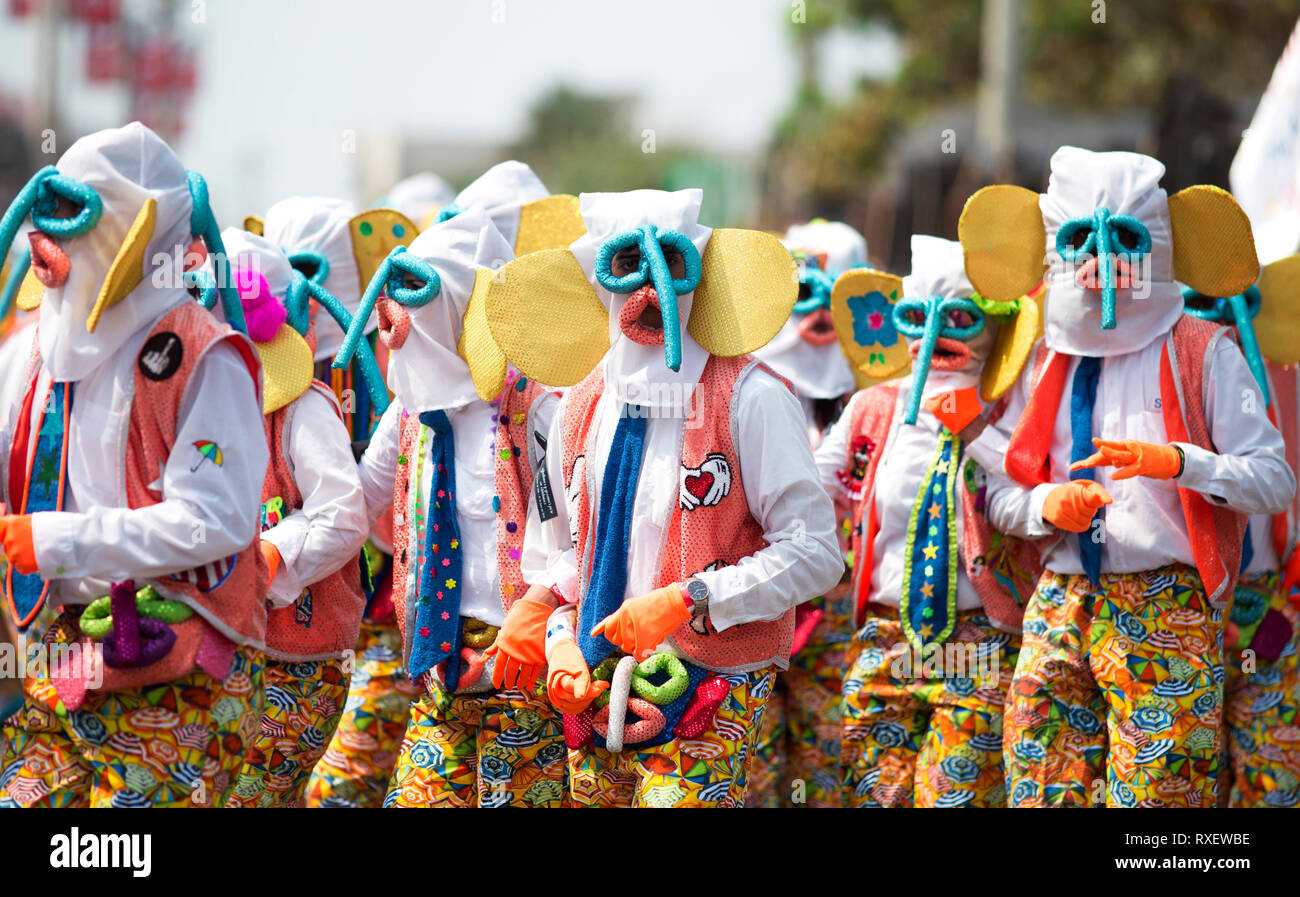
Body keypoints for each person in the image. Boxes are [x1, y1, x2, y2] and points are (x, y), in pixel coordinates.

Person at [486, 187, 843, 807]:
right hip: (598, 684)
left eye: (670, 265)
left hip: (714, 675)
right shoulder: (578, 403)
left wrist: (690, 598)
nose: (650, 290)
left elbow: (815, 552)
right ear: (600, 278)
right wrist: (550, 625)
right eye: (627, 267)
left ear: (698, 274)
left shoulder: (751, 396)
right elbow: (570, 555)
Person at [960, 146, 1295, 807]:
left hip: (1166, 601)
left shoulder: (1205, 350)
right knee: (1038, 781)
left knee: (1158, 802)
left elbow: (1273, 478)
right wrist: (1044, 506)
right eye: (1083, 240)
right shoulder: (1037, 358)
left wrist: (1180, 462)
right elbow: (994, 482)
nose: (1102, 263)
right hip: (1058, 597)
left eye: (1126, 242)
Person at [0, 122, 269, 808]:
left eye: (72, 213)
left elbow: (217, 518)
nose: (48, 235)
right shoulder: (32, 350)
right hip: (63, 659)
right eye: (47, 211)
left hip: (177, 670)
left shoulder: (202, 355)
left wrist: (59, 540)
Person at [814, 234, 1042, 807]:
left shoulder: (1015, 406)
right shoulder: (874, 406)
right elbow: (810, 485)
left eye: (957, 320)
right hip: (885, 635)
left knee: (953, 798)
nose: (934, 335)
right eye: (917, 317)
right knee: (873, 796)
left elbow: (1032, 497)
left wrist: (977, 434)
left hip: (981, 640)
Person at [210, 229, 369, 808]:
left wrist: (272, 554)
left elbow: (344, 516)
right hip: (223, 655)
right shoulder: (198, 406)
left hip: (299, 659)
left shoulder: (305, 408)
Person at [749, 218, 866, 807]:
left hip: (841, 609)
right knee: (751, 761)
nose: (818, 317)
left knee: (828, 758)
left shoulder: (876, 394)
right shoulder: (752, 387)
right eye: (804, 296)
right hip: (753, 603)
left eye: (836, 297)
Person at [1181, 255, 1300, 808]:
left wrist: (1292, 597)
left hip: (1275, 598)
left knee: (1276, 776)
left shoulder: (1285, 371)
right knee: (1194, 774)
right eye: (1205, 302)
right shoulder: (1173, 360)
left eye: (1241, 302)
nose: (1225, 319)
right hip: (1183, 604)